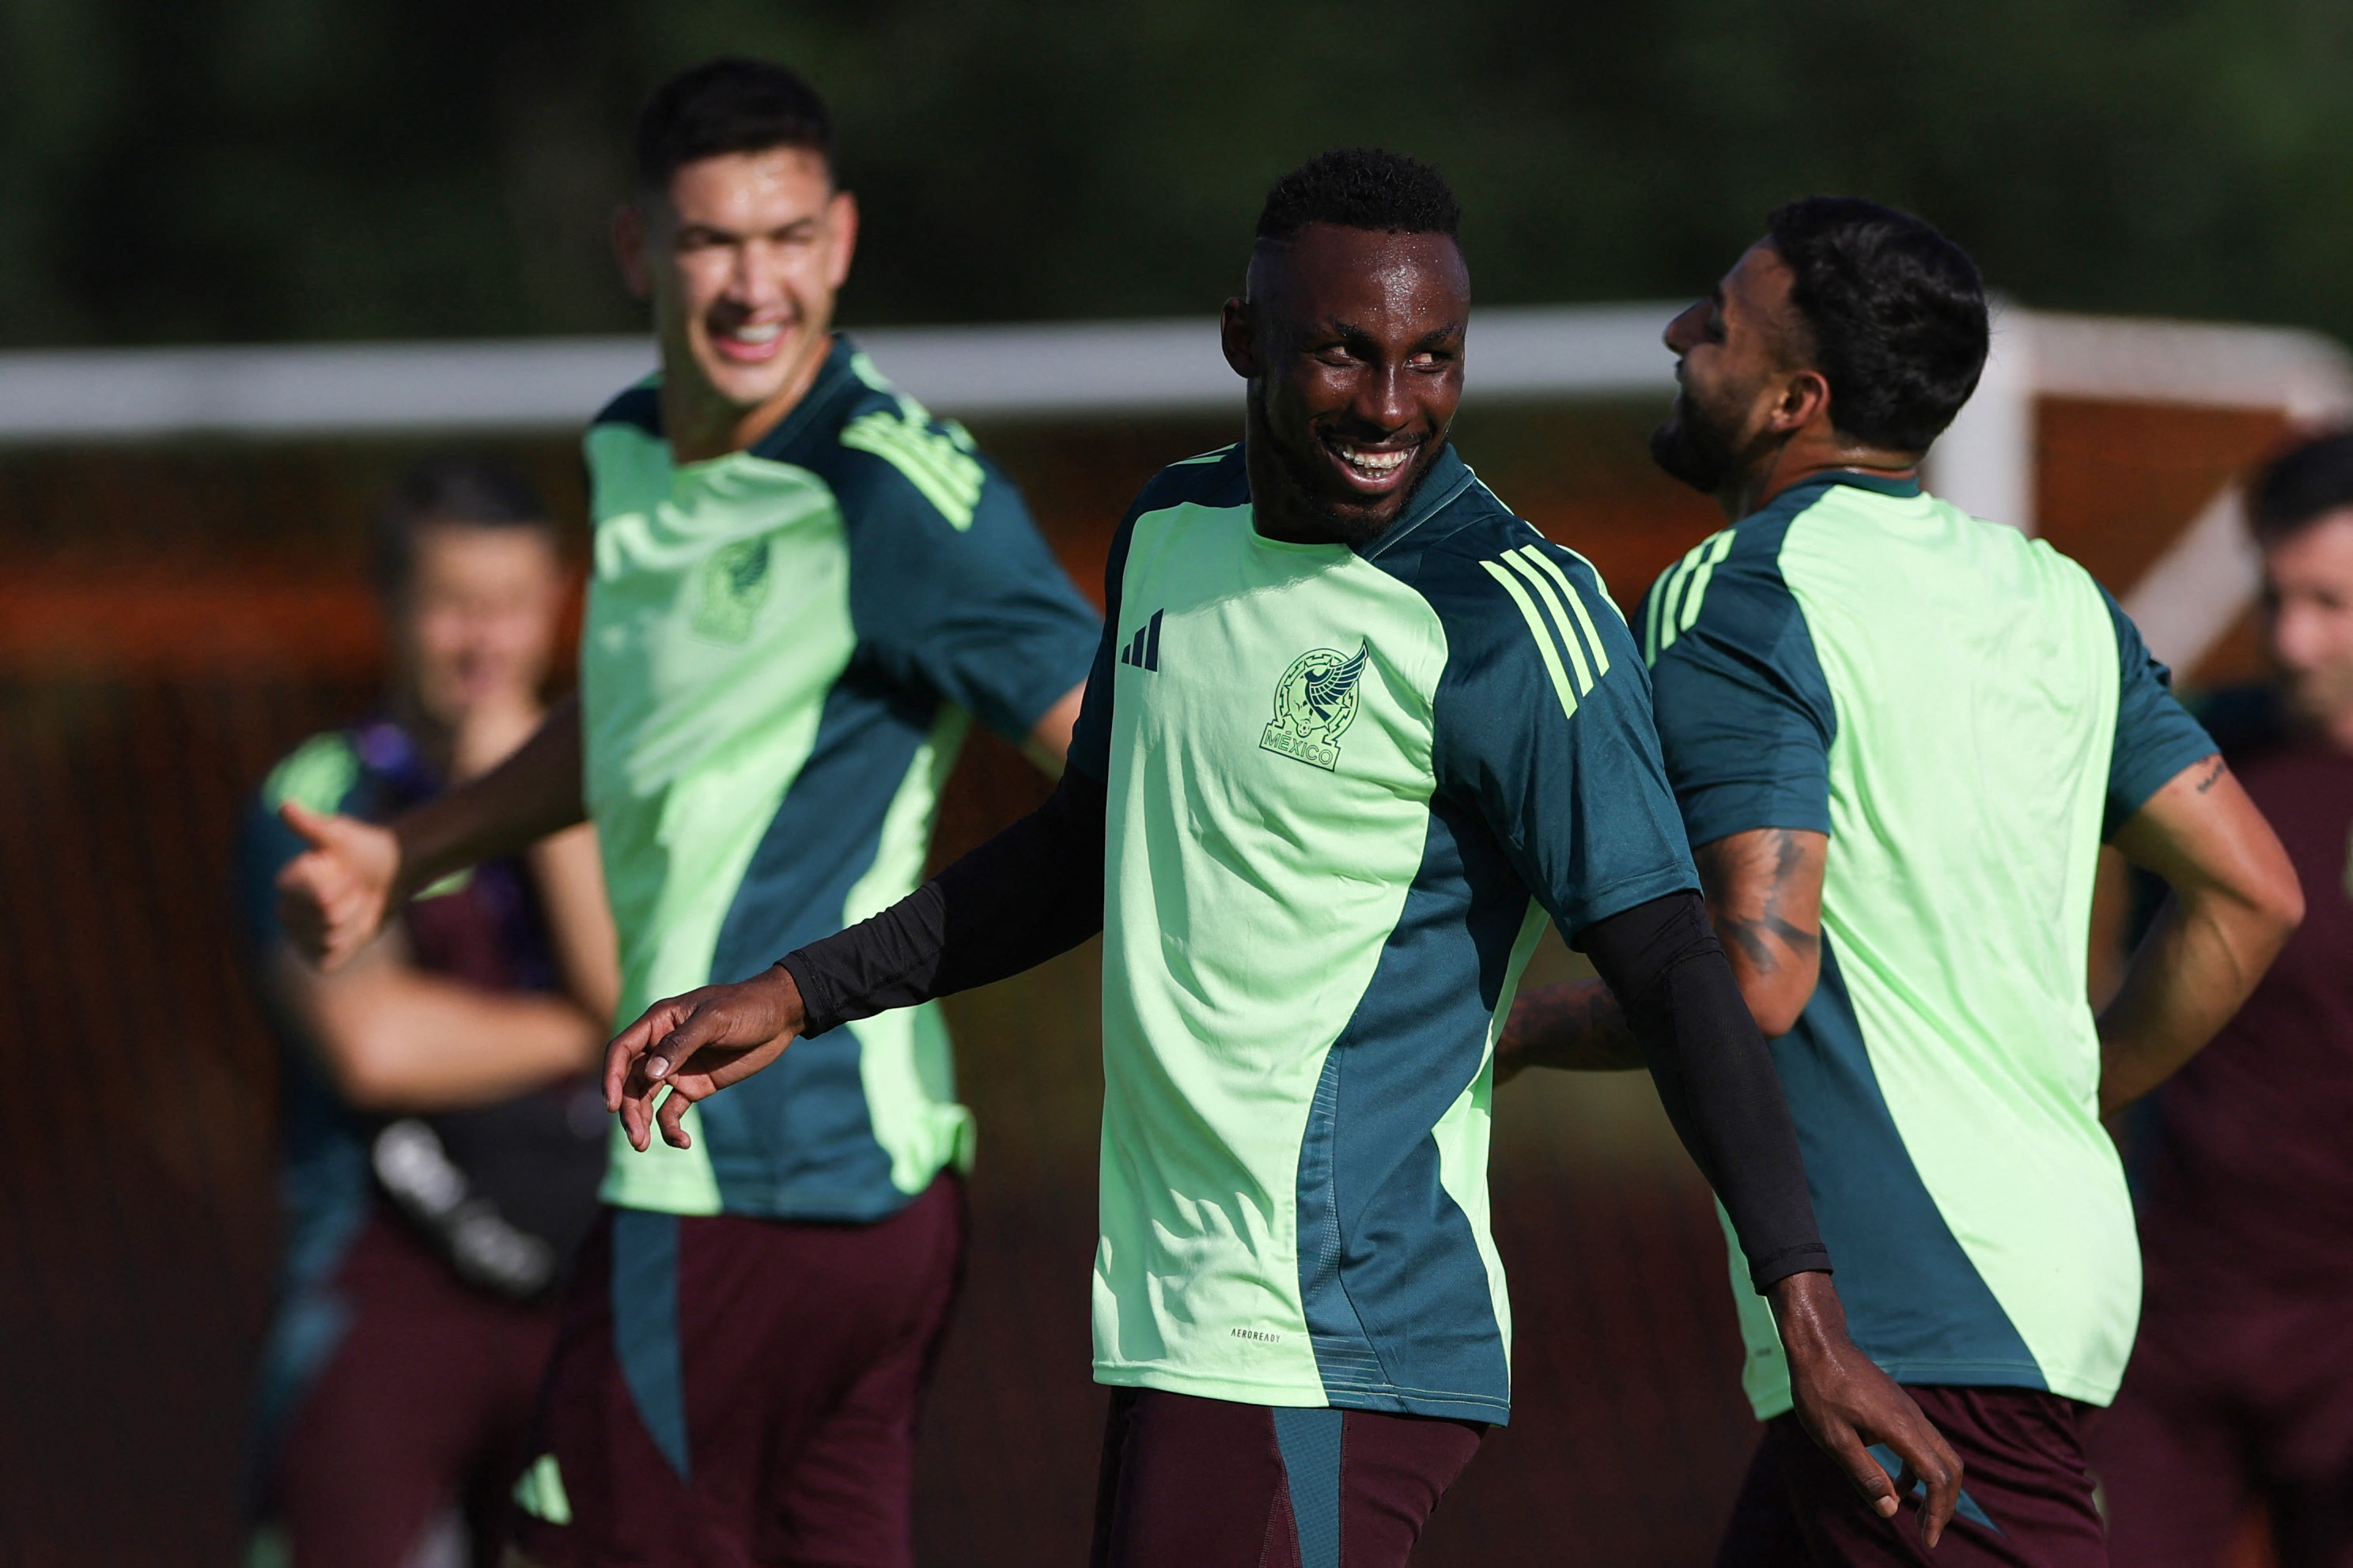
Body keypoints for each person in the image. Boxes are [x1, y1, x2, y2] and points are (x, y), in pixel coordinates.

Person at [600, 149, 1960, 1568]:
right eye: (1345, 355)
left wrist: (1808, 1312)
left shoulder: (1510, 615)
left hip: (1333, 1326)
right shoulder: (1173, 529)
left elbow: (1678, 965)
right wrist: (801, 992)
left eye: (1433, 360)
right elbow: (1084, 851)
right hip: (1177, 1314)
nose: (1391, 406)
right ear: (1247, 337)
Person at [272, 59, 1099, 1567]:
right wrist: (410, 851)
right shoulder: (634, 444)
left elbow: (1121, 765)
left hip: (742, 1156)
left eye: (785, 237)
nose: (752, 282)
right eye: (713, 240)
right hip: (819, 1188)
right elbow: (636, 717)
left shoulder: (892, 491)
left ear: (840, 239)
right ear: (638, 248)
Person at [1498, 197, 2305, 1566]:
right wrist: (2070, 1100)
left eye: (1721, 322)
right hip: (2045, 1279)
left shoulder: (1739, 591)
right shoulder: (2053, 594)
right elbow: (2253, 894)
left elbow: (1749, 977)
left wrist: (1512, 1028)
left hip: (1916, 1312)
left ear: (1792, 401)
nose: (1681, 335)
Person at [240, 456, 619, 1568]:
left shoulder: (619, 785)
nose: (484, 644)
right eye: (455, 607)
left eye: (512, 607)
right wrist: (583, 1030)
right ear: (392, 606)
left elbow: (636, 985)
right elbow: (375, 1043)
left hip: (593, 1280)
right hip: (386, 1281)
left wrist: (531, 792)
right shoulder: (321, 795)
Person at [2088, 429, 2353, 1567]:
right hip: (2172, 1318)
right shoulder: (2196, 762)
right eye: (2275, 595)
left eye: (2333, 604)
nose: (2292, 639)